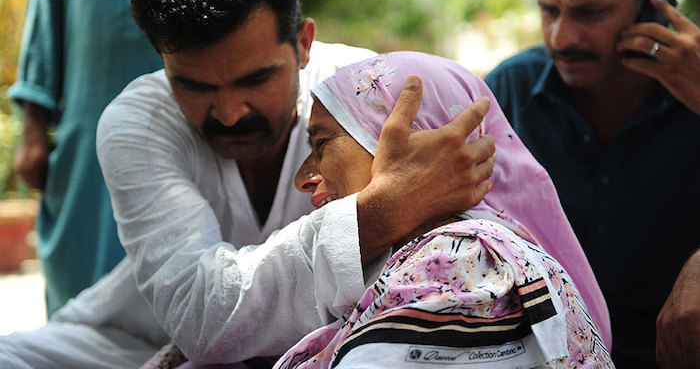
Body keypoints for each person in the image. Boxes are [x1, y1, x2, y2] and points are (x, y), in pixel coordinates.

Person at [0, 0, 496, 368]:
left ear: (303, 44)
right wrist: (381, 212)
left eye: (256, 78)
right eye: (194, 86)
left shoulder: (370, 94)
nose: (230, 112)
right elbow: (200, 318)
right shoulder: (139, 121)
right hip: (129, 344)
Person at [147, 51, 613, 369]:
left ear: (416, 143)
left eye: (322, 143)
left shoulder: (459, 265)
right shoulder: (434, 260)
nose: (304, 177)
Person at [484, 0, 700, 368]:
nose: (562, 38)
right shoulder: (509, 91)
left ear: (657, 1)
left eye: (590, 13)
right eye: (549, 10)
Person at [9, 0, 162, 314]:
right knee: (78, 296)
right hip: (86, 136)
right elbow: (47, 7)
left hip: (181, 123)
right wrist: (34, 125)